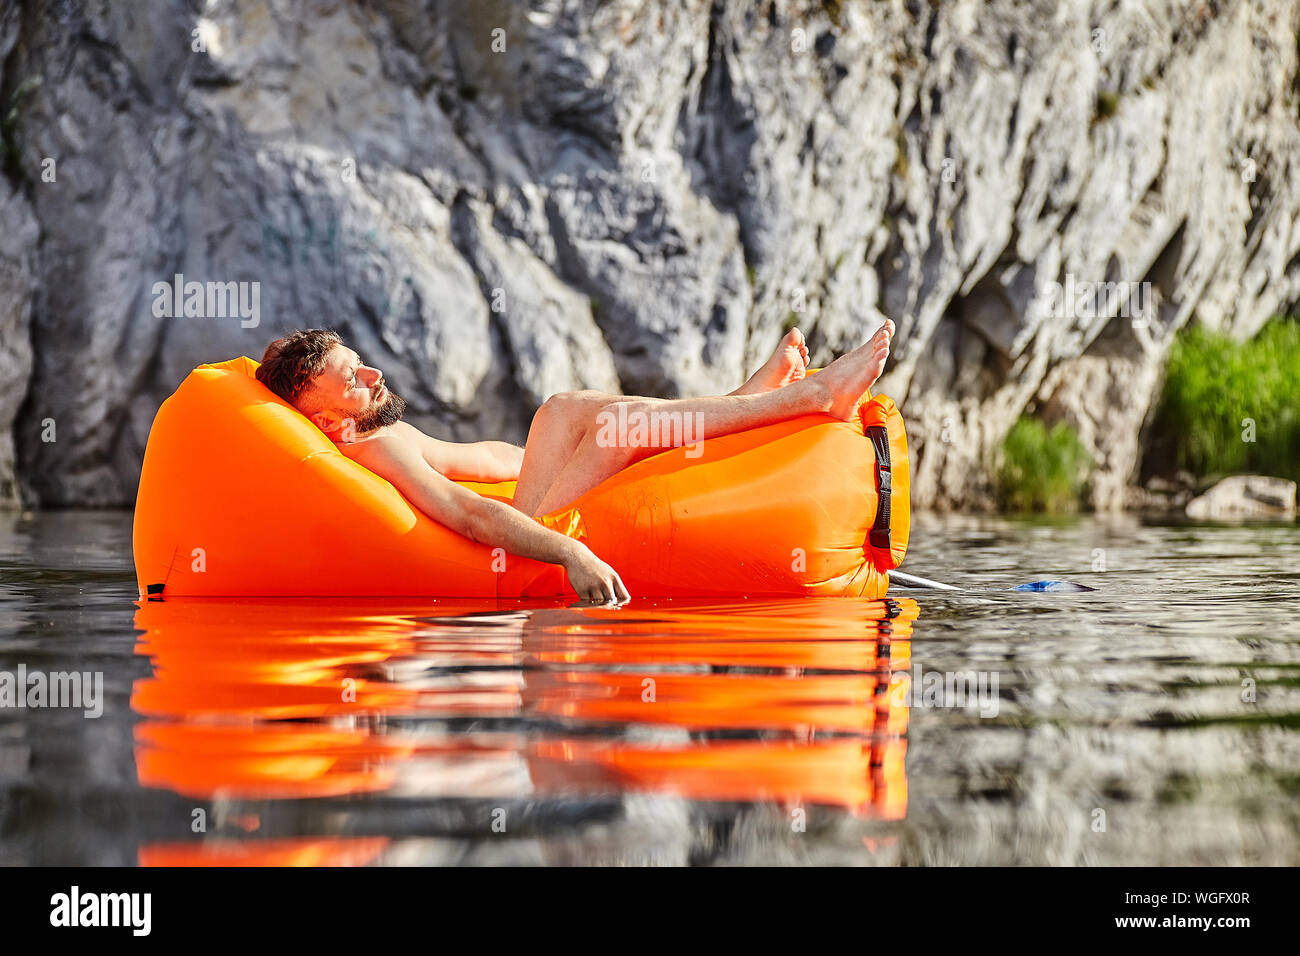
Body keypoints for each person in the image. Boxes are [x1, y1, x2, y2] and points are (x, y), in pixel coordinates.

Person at [254, 321, 895, 606]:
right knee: (615, 429)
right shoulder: (372, 445)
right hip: (517, 561)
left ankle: (741, 403)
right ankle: (805, 399)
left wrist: (557, 455)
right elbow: (469, 515)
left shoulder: (368, 430)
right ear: (326, 420)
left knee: (564, 412)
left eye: (361, 363)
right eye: (353, 379)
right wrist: (571, 553)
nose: (374, 374)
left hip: (525, 509)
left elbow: (487, 462)